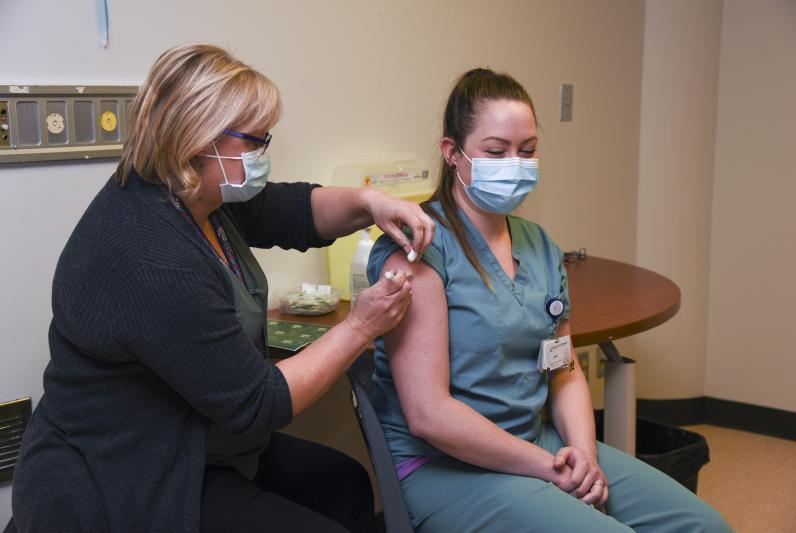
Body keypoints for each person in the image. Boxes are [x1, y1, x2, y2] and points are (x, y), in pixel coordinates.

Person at [7, 44, 435, 533]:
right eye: (255, 141)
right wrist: (362, 325)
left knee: (346, 485)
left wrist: (368, 201)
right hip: (129, 472)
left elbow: (294, 212)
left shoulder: (196, 194)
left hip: (197, 436)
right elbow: (261, 403)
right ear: (198, 140)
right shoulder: (151, 256)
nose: (263, 154)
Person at [365, 68, 732, 532]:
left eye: (529, 151)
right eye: (497, 152)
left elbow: (563, 367)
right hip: (446, 466)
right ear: (452, 154)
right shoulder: (418, 249)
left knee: (706, 527)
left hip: (543, 441)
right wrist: (546, 466)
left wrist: (583, 454)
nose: (515, 164)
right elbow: (429, 416)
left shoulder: (538, 245)